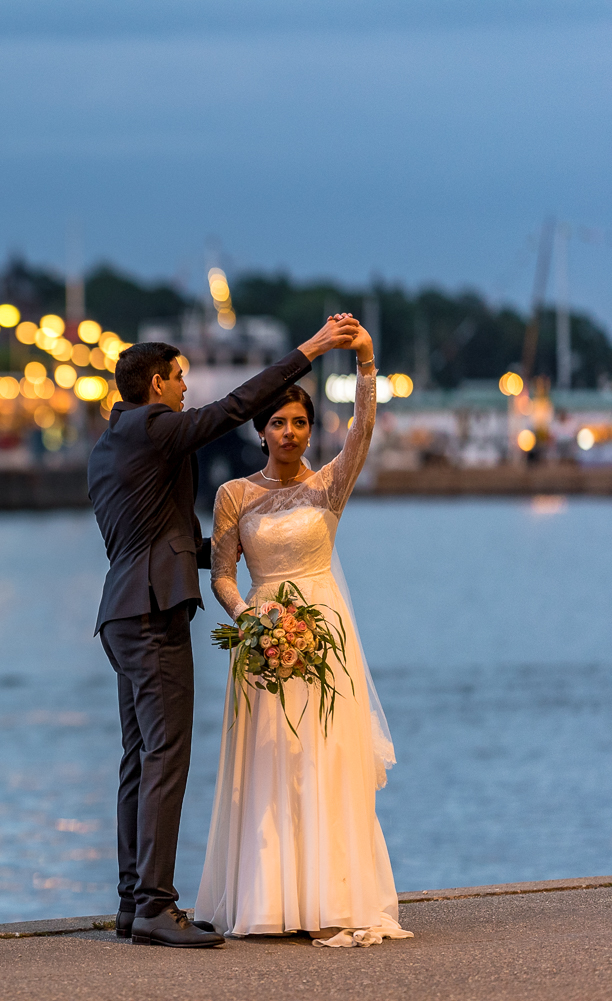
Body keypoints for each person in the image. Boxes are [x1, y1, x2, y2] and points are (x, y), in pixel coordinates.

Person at [87, 316, 359, 948]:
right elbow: (235, 408)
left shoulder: (111, 443)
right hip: (152, 614)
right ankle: (156, 906)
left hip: (122, 612)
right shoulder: (155, 429)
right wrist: (311, 350)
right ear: (157, 384)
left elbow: (160, 539)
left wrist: (243, 550)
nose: (187, 388)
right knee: (165, 755)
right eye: (180, 378)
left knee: (139, 757)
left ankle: (133, 902)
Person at [194, 323, 413, 948]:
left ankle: (331, 894)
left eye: (299, 423)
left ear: (310, 431)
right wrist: (251, 621)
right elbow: (224, 576)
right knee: (268, 759)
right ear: (259, 430)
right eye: (279, 423)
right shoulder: (234, 494)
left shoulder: (329, 486)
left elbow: (363, 432)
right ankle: (268, 896)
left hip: (326, 635)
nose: (290, 433)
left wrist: (367, 361)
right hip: (263, 638)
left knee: (324, 757)